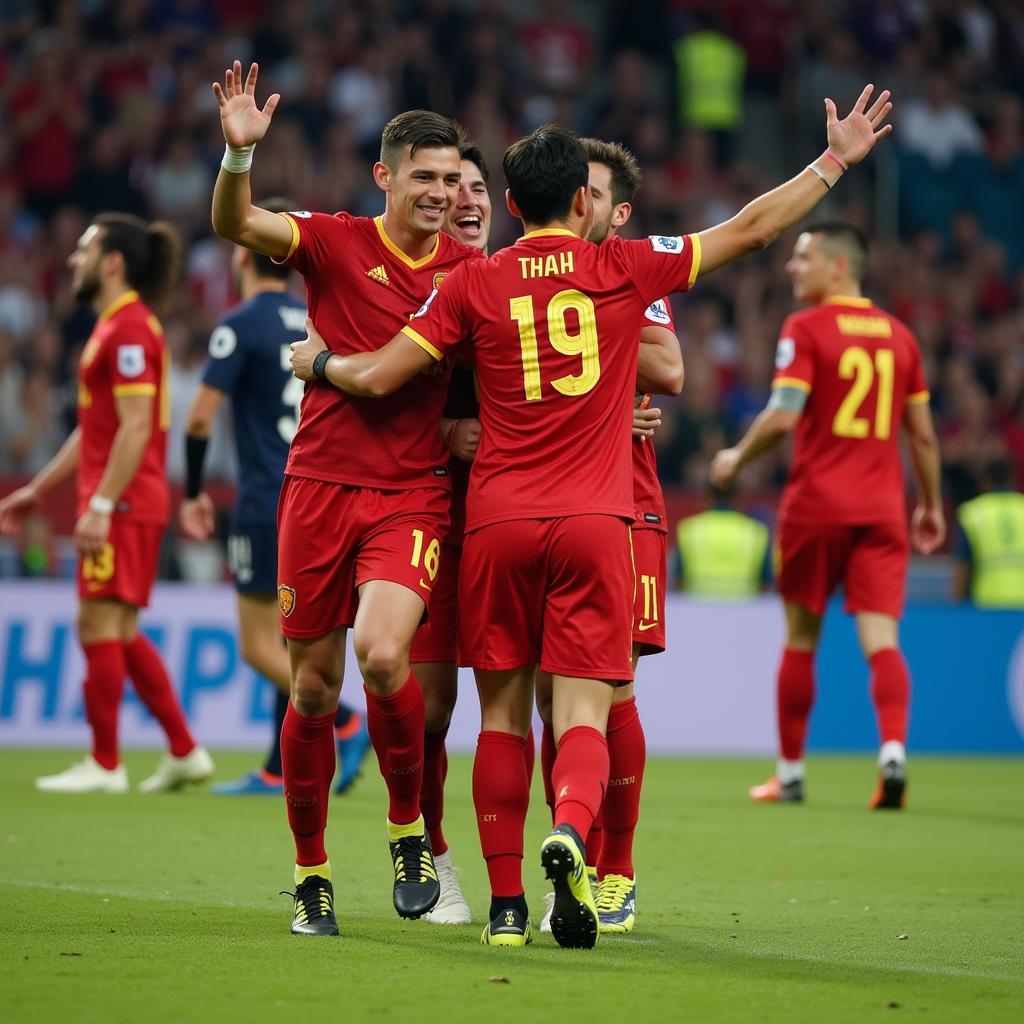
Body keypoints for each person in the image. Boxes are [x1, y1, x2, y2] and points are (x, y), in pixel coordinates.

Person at [292, 86, 895, 946]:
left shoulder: (472, 281)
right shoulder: (624, 268)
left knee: (494, 717)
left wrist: (318, 363)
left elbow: (383, 376)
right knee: (585, 711)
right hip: (594, 520)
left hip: (495, 523)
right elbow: (754, 229)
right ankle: (576, 838)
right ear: (585, 202)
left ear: (506, 204)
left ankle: (503, 910)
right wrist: (834, 161)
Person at [210, 61, 481, 936]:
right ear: (386, 177)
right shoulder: (331, 241)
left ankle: (409, 833)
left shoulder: (473, 272)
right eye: (426, 177)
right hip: (316, 491)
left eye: (452, 179)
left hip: (409, 495)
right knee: (315, 693)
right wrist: (237, 155)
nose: (441, 193)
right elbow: (235, 223)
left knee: (384, 654)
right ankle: (311, 874)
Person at [710, 222, 945, 809]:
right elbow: (922, 437)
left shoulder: (806, 328)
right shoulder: (900, 337)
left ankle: (789, 775)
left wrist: (737, 456)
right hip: (883, 510)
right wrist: (933, 505)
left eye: (804, 257)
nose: (793, 268)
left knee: (800, 639)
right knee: (882, 640)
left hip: (816, 507)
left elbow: (786, 414)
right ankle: (892, 754)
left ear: (839, 267)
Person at [0, 213, 214, 793]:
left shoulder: (129, 332)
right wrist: (40, 489)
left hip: (122, 504)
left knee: (97, 622)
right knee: (117, 628)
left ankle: (105, 762)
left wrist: (99, 504)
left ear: (112, 262)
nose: (73, 260)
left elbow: (137, 427)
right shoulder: (116, 327)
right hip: (124, 500)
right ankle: (184, 750)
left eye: (84, 249)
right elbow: (96, 429)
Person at [533, 137, 684, 938]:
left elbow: (673, 366)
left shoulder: (631, 269)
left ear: (617, 212)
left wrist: (592, 380)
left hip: (626, 503)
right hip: (540, 506)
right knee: (545, 698)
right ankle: (570, 855)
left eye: (592, 194)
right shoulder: (524, 267)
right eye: (573, 191)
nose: (579, 205)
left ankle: (616, 868)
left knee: (612, 683)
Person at [178, 198, 370, 799]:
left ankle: (344, 719)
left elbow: (201, 419)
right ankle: (276, 764)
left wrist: (191, 492)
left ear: (241, 257)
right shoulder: (312, 317)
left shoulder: (239, 324)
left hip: (264, 498)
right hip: (318, 489)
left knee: (258, 643)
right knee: (294, 633)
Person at [411, 143, 493, 926]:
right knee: (433, 710)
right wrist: (444, 430)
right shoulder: (415, 289)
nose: (466, 197)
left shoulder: (519, 287)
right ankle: (433, 856)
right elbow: (380, 397)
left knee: (529, 711)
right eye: (450, 185)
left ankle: (564, 865)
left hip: (516, 525)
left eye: (478, 187)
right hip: (433, 519)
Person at [676, 483, 771, 599]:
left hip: (698, 610)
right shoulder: (756, 532)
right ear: (738, 498)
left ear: (706, 497)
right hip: (745, 612)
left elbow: (678, 581)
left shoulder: (689, 529)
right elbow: (766, 585)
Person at [953, 456, 1024, 608]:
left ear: (984, 482)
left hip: (987, 607)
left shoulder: (972, 514)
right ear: (1012, 480)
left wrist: (955, 611)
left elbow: (963, 569)